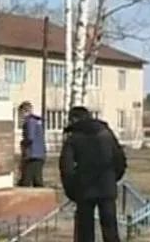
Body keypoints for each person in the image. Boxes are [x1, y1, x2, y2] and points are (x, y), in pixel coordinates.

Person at [59, 106, 127, 242]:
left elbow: (66, 168)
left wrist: (72, 191)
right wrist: (112, 179)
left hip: (84, 189)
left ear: (74, 119)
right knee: (110, 229)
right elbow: (120, 161)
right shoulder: (106, 134)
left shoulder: (73, 138)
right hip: (106, 187)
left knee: (85, 232)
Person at [17, 101, 46, 187]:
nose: (20, 116)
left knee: (26, 181)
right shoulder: (36, 121)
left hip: (32, 155)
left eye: (20, 113)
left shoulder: (29, 121)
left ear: (24, 111)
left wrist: (23, 143)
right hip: (39, 154)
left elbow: (30, 137)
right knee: (37, 179)